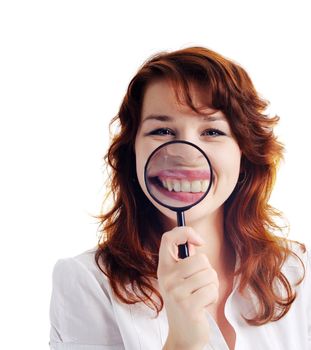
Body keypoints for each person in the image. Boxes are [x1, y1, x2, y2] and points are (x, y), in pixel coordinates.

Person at [49, 46, 311, 350]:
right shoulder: (88, 282)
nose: (184, 154)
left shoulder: (298, 274)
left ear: (245, 153)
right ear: (132, 152)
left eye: (212, 132)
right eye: (161, 130)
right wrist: (182, 342)